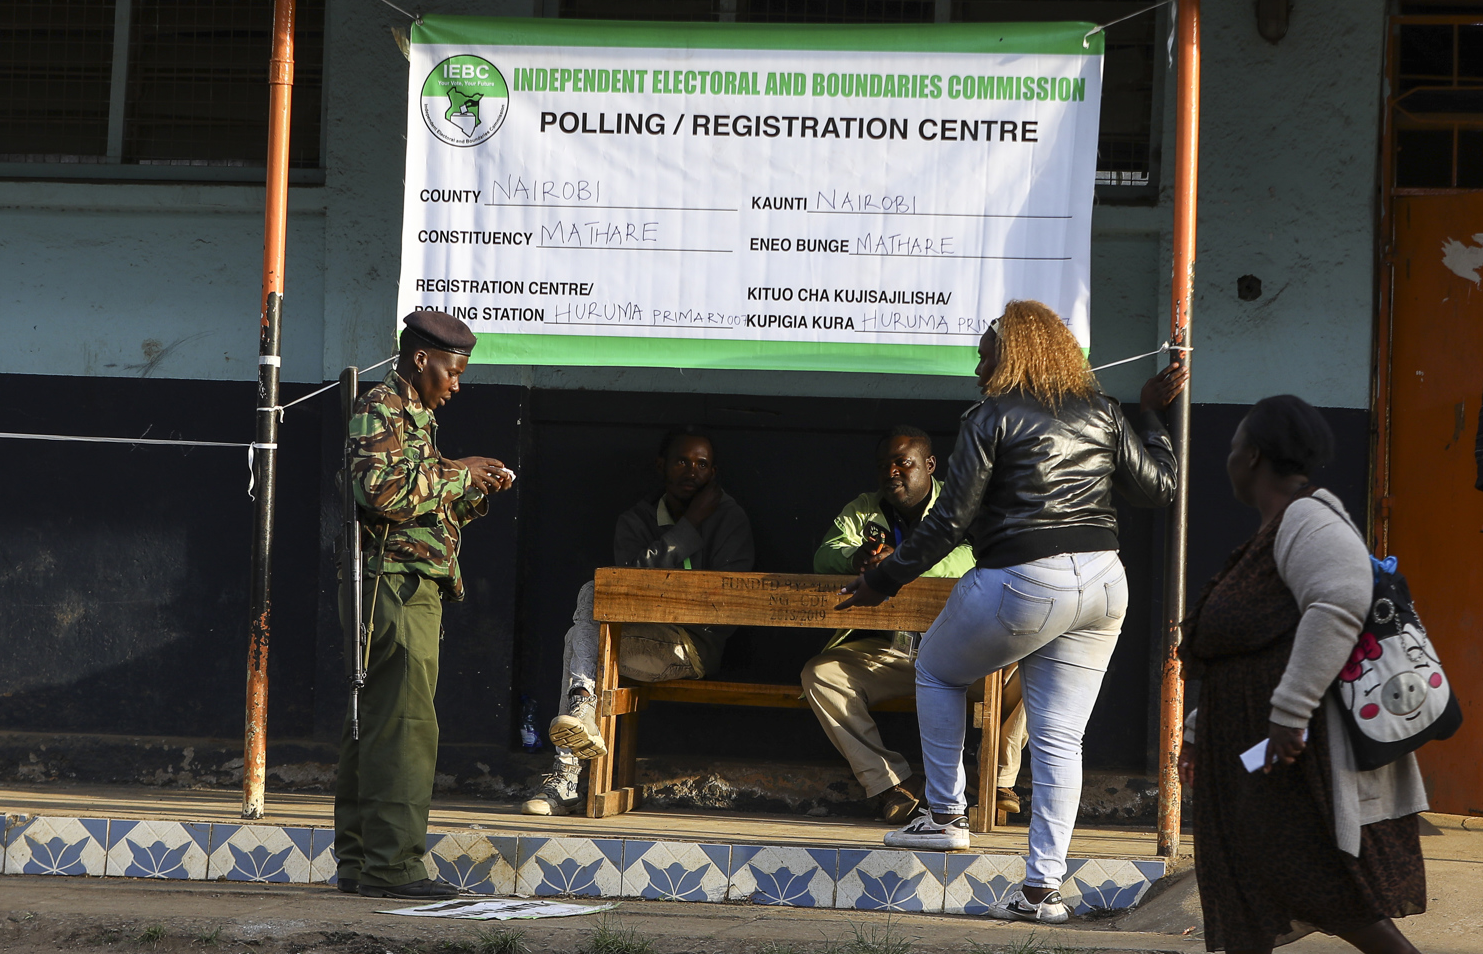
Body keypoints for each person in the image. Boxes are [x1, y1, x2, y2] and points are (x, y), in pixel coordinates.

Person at [836, 300, 1186, 924]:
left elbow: (949, 520)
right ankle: (1041, 892)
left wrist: (881, 581)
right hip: (1106, 583)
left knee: (938, 672)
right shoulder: (1104, 412)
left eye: (985, 352)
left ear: (1014, 354)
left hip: (1025, 578)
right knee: (1061, 739)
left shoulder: (990, 416)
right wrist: (1152, 413)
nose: (977, 365)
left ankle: (945, 815)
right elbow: (1160, 486)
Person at [1166, 394, 1459, 954]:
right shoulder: (1272, 530)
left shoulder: (1307, 521)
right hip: (1249, 735)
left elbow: (1341, 601)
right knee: (1241, 862)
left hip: (1290, 741)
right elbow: (1244, 645)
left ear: (1255, 457)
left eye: (1236, 445)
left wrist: (1288, 718)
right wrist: (1197, 731)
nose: (1229, 457)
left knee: (1307, 865)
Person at [337, 309, 514, 899]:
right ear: (422, 360)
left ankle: (363, 862)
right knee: (404, 728)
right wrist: (455, 472)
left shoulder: (413, 417)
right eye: (452, 371)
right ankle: (393, 867)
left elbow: (419, 501)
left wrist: (470, 486)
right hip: (394, 586)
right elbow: (380, 493)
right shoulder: (382, 407)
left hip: (404, 581)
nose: (456, 385)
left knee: (380, 725)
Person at [521, 426, 755, 815]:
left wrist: (691, 526)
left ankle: (564, 777)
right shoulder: (637, 520)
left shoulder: (729, 519)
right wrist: (684, 536)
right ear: (661, 465)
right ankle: (579, 719)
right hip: (634, 640)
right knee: (591, 607)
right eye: (681, 460)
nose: (691, 471)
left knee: (580, 631)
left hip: (691, 646)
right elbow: (624, 588)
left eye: (702, 464)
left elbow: (724, 605)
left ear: (714, 473)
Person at [804, 426, 1030, 824]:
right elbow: (825, 554)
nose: (892, 472)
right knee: (821, 675)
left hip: (965, 652)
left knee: (1035, 667)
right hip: (894, 652)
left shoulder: (962, 502)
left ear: (929, 465)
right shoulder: (864, 508)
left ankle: (994, 779)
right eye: (883, 465)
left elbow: (974, 559)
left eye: (902, 463)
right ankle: (893, 784)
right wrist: (858, 558)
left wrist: (905, 559)